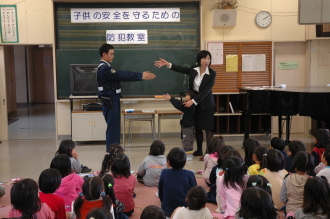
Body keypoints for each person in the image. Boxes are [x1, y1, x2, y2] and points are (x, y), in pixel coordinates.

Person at [154, 50, 216, 158]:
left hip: (206, 104)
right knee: (198, 127)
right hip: (195, 104)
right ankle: (199, 150)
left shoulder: (212, 73)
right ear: (199, 60)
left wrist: (193, 101)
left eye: (208, 59)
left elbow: (206, 91)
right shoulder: (193, 69)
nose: (207, 61)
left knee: (208, 129)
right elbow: (181, 69)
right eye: (204, 58)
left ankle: (209, 153)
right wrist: (168, 64)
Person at [97, 43, 156, 152]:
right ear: (104, 54)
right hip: (110, 101)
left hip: (112, 100)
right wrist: (141, 76)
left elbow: (120, 74)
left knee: (114, 128)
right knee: (113, 128)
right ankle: (112, 153)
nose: (113, 56)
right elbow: (121, 75)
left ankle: (114, 151)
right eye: (111, 54)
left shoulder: (106, 68)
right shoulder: (104, 69)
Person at [158, 147, 197, 217]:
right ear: (185, 162)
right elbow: (195, 193)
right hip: (185, 210)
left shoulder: (164, 173)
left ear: (168, 162)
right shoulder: (189, 174)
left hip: (167, 210)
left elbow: (161, 192)